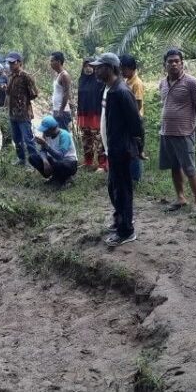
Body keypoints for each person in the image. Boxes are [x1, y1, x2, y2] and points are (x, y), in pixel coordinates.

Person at [90, 53, 143, 247]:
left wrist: (139, 148)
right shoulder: (109, 89)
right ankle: (119, 220)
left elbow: (136, 123)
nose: (96, 70)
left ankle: (126, 231)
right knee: (114, 188)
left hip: (121, 149)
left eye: (100, 67)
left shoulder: (121, 91)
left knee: (122, 189)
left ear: (111, 68)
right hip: (112, 147)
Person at [158, 49, 196, 212]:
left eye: (177, 61)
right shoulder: (162, 83)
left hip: (184, 132)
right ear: (165, 64)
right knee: (174, 166)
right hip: (166, 132)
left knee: (189, 168)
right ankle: (180, 198)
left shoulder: (192, 82)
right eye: (170, 61)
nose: (173, 64)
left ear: (182, 63)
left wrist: (188, 122)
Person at [5, 51, 39, 165]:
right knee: (17, 139)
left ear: (19, 63)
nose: (10, 65)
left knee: (28, 139)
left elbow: (34, 93)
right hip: (12, 114)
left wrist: (22, 101)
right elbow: (8, 93)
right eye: (9, 63)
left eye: (12, 63)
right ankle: (21, 159)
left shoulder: (26, 76)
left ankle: (34, 162)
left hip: (24, 113)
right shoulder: (10, 77)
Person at [29, 115, 78, 186]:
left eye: (45, 130)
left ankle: (66, 178)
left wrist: (46, 145)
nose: (44, 132)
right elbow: (43, 151)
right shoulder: (46, 135)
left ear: (51, 129)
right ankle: (54, 177)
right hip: (55, 161)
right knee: (33, 158)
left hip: (69, 163)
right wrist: (45, 161)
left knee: (58, 164)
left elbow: (60, 156)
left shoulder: (64, 135)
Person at [77, 58, 107, 171]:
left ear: (95, 68)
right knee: (86, 138)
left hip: (96, 114)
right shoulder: (81, 80)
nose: (88, 68)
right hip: (84, 114)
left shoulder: (100, 82)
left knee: (99, 140)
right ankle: (88, 161)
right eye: (85, 66)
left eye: (90, 66)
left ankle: (102, 164)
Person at [120, 54, 147, 181]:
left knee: (135, 148)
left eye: (124, 68)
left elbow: (138, 103)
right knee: (128, 147)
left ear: (131, 68)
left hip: (135, 119)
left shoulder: (137, 83)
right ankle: (129, 174)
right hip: (127, 119)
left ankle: (135, 177)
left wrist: (132, 120)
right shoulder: (126, 81)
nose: (122, 71)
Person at [50, 51, 73, 131]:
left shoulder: (64, 75)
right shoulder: (57, 74)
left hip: (62, 111)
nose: (51, 63)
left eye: (52, 61)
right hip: (56, 109)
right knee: (58, 136)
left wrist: (61, 110)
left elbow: (66, 93)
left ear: (59, 62)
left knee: (63, 135)